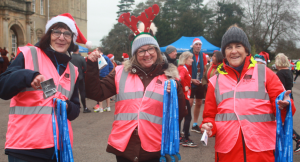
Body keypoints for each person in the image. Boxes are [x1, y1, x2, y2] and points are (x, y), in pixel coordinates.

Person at [85, 5, 186, 161]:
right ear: (134, 54)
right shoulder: (120, 73)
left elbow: (179, 114)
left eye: (151, 49)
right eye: (141, 50)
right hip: (125, 147)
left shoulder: (170, 77)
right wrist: (91, 67)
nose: (147, 54)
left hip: (154, 148)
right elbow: (95, 93)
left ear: (157, 51)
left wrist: (176, 90)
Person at [0, 13, 89, 162]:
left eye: (67, 34)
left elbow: (74, 110)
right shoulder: (30, 54)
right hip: (25, 149)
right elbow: (3, 87)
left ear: (72, 40)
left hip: (59, 149)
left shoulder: (73, 70)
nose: (61, 37)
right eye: (57, 32)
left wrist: (66, 106)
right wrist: (28, 76)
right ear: (49, 35)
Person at [200, 24, 296, 162]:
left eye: (238, 46)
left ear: (246, 50)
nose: (234, 51)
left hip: (262, 152)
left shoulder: (265, 73)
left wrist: (285, 105)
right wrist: (208, 127)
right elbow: (209, 117)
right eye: (229, 47)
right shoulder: (215, 81)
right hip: (228, 153)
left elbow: (288, 110)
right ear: (224, 52)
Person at [275, 53, 300, 153]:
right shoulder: (289, 72)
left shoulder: (280, 74)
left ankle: (297, 139)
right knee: (285, 122)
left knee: (282, 123)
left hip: (283, 100)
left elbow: (278, 89)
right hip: (290, 98)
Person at [187, 38, 207, 133]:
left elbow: (205, 68)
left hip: (200, 82)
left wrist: (203, 79)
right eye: (196, 44)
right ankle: (185, 124)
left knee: (199, 103)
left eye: (200, 44)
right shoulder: (188, 55)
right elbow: (183, 70)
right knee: (189, 103)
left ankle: (195, 124)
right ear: (193, 45)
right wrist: (191, 80)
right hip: (190, 82)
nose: (198, 46)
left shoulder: (203, 55)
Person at [177, 51, 197, 147]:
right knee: (187, 117)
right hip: (184, 97)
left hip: (184, 96)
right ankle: (185, 138)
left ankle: (180, 137)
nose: (192, 60)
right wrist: (182, 86)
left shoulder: (183, 68)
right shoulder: (183, 69)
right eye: (191, 58)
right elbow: (178, 79)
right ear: (185, 59)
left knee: (181, 117)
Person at [70, 44, 91, 113]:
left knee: (72, 92)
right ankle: (85, 107)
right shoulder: (81, 58)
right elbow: (85, 68)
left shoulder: (69, 57)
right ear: (78, 50)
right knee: (82, 92)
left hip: (71, 77)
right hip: (80, 77)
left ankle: (73, 106)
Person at [93, 47, 114, 113]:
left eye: (96, 50)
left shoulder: (98, 57)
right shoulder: (107, 57)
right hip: (106, 75)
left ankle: (101, 107)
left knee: (100, 91)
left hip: (100, 76)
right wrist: (108, 72)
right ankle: (108, 107)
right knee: (106, 91)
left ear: (99, 51)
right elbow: (111, 66)